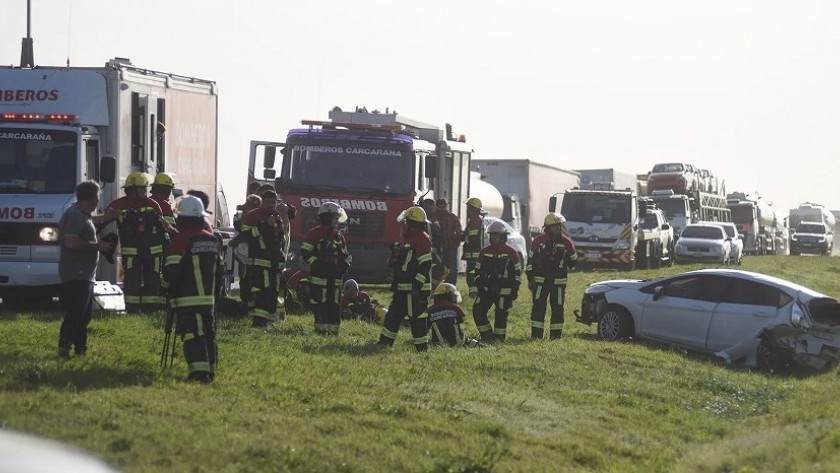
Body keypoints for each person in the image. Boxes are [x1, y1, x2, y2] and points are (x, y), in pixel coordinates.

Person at [160, 195, 218, 383]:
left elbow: (171, 272)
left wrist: (164, 286)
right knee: (208, 335)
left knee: (193, 335)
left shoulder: (181, 240)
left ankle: (199, 374)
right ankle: (210, 370)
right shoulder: (211, 239)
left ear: (182, 218)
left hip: (187, 299)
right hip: (208, 300)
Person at [57, 181, 118, 358]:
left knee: (84, 315)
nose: (98, 201)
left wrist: (107, 217)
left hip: (85, 274)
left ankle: (80, 349)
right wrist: (98, 246)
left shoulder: (83, 215)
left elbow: (91, 221)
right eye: (97, 197)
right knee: (75, 312)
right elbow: (71, 242)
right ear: (92, 198)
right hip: (76, 273)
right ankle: (64, 346)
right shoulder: (74, 215)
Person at [107, 172, 171, 313]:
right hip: (132, 252)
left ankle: (150, 310)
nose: (145, 191)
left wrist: (167, 247)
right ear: (133, 189)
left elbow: (163, 228)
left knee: (153, 281)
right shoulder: (120, 204)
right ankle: (132, 311)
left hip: (153, 251)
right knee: (132, 281)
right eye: (142, 188)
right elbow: (106, 216)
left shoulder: (152, 204)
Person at [377, 206, 433, 352]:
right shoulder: (409, 239)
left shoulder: (422, 239)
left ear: (412, 223)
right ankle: (385, 343)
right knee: (393, 316)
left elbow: (425, 265)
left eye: (407, 222)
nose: (405, 224)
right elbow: (405, 264)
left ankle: (422, 349)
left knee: (417, 320)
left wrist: (416, 286)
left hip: (415, 290)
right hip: (403, 288)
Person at [301, 201, 350, 335]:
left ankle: (334, 332)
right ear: (328, 217)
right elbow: (305, 252)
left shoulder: (339, 235)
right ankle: (321, 332)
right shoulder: (314, 233)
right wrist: (316, 263)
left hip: (335, 278)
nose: (337, 221)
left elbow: (344, 253)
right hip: (320, 277)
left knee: (335, 304)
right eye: (335, 218)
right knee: (321, 304)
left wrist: (344, 264)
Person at [526, 212, 578, 340]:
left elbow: (574, 260)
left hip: (558, 283)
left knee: (557, 309)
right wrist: (530, 278)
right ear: (548, 227)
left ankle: (555, 337)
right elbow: (530, 262)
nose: (557, 228)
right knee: (538, 308)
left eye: (558, 226)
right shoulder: (538, 241)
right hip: (540, 281)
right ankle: (536, 336)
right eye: (554, 226)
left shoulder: (567, 242)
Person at [241, 190, 287, 327]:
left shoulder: (277, 216)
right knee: (263, 292)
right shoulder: (253, 215)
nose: (271, 205)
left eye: (273, 202)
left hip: (274, 262)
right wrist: (265, 225)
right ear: (262, 202)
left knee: (274, 292)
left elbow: (280, 238)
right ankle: (259, 323)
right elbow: (246, 234)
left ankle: (270, 320)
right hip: (259, 262)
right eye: (268, 202)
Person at [471, 220, 522, 343]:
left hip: (504, 291)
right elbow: (477, 272)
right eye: (492, 235)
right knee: (477, 311)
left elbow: (517, 273)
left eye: (497, 235)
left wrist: (514, 289)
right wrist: (480, 286)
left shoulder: (511, 252)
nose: (494, 237)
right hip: (486, 290)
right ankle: (487, 336)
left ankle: (499, 340)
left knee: (501, 316)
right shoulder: (484, 252)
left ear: (503, 236)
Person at [425, 283, 479, 348]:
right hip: (459, 342)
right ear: (449, 296)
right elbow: (462, 321)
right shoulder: (455, 308)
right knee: (470, 342)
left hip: (438, 345)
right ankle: (481, 346)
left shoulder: (430, 310)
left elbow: (426, 328)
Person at [462, 197, 485, 299]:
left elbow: (472, 239)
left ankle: (474, 296)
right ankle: (476, 295)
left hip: (473, 255)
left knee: (472, 276)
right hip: (475, 254)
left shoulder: (475, 220)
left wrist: (462, 237)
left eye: (468, 208)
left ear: (472, 209)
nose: (467, 210)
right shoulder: (476, 220)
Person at [436, 199, 463, 285]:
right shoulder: (435, 218)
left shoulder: (453, 217)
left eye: (443, 207)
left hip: (451, 246)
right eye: (440, 207)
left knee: (452, 267)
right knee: (441, 267)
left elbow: (459, 231)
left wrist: (456, 243)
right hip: (439, 247)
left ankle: (452, 284)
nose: (442, 209)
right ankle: (442, 284)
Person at [420, 199, 446, 286]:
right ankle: (434, 286)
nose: (434, 208)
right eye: (432, 206)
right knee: (440, 268)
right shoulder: (425, 221)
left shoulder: (434, 219)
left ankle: (434, 286)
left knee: (439, 268)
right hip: (431, 249)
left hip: (435, 248)